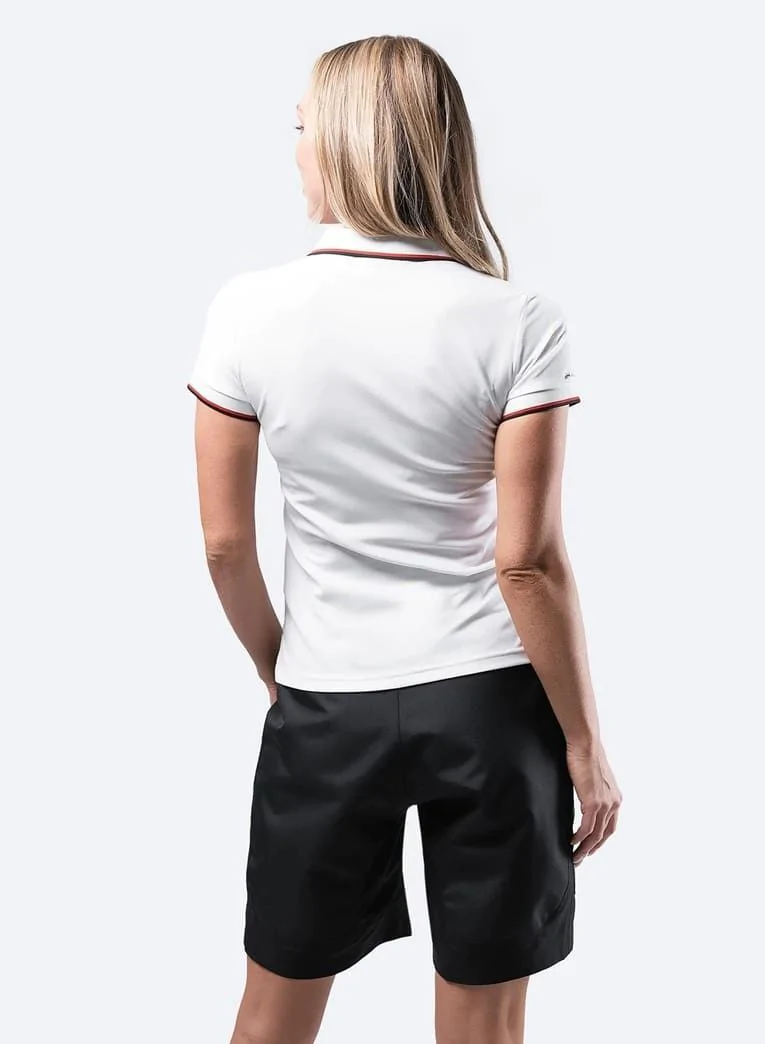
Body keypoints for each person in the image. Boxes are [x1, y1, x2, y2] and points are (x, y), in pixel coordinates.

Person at [187, 33, 622, 1044]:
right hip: (490, 703)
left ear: (348, 143)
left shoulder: (246, 311)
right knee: (483, 1029)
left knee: (270, 1018)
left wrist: (281, 671)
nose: (296, 151)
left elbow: (223, 545)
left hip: (326, 699)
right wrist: (585, 746)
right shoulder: (517, 319)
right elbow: (527, 562)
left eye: (303, 129)